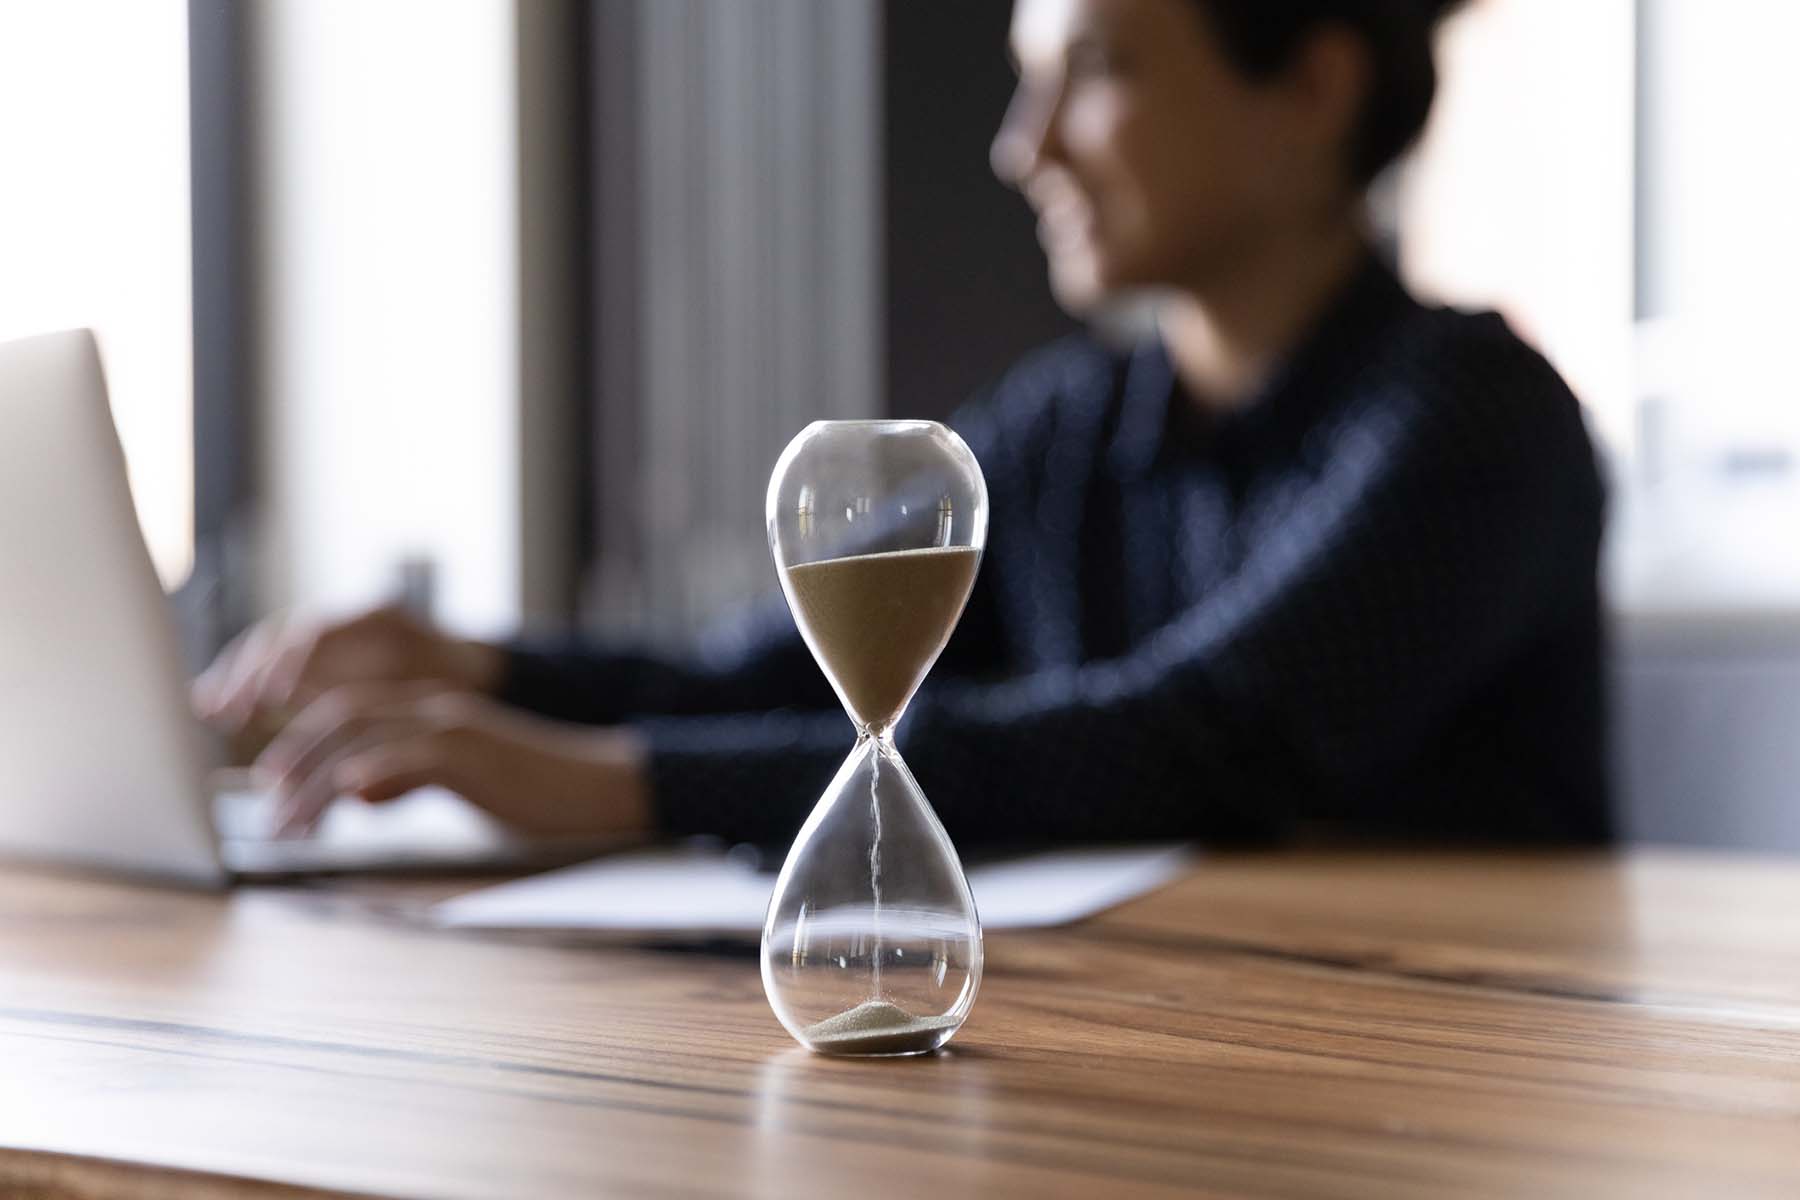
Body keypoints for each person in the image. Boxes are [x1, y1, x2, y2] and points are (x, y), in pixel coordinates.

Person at [195, 0, 1608, 848]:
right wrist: (476, 671)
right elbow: (777, 672)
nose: (1022, 145)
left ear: (1311, 86)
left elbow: (1207, 737)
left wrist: (621, 784)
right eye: (1026, 75)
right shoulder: (1070, 430)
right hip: (1142, 1028)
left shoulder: (1479, 420)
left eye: (1098, 69)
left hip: (1426, 1060)